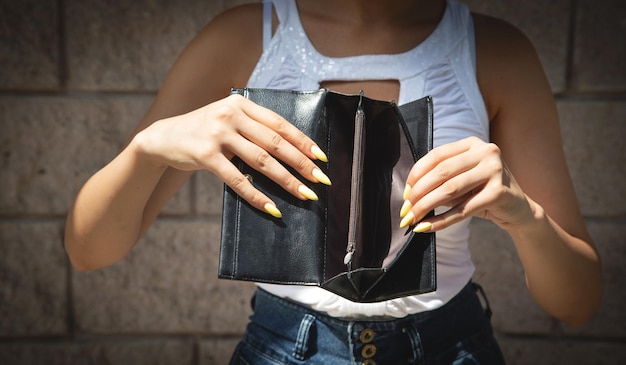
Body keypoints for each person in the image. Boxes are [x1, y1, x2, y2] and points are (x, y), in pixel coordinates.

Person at [64, 0, 602, 363]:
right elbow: (88, 250)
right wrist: (149, 146)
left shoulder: (495, 50)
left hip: (450, 346)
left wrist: (523, 214)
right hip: (282, 347)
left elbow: (577, 304)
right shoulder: (244, 35)